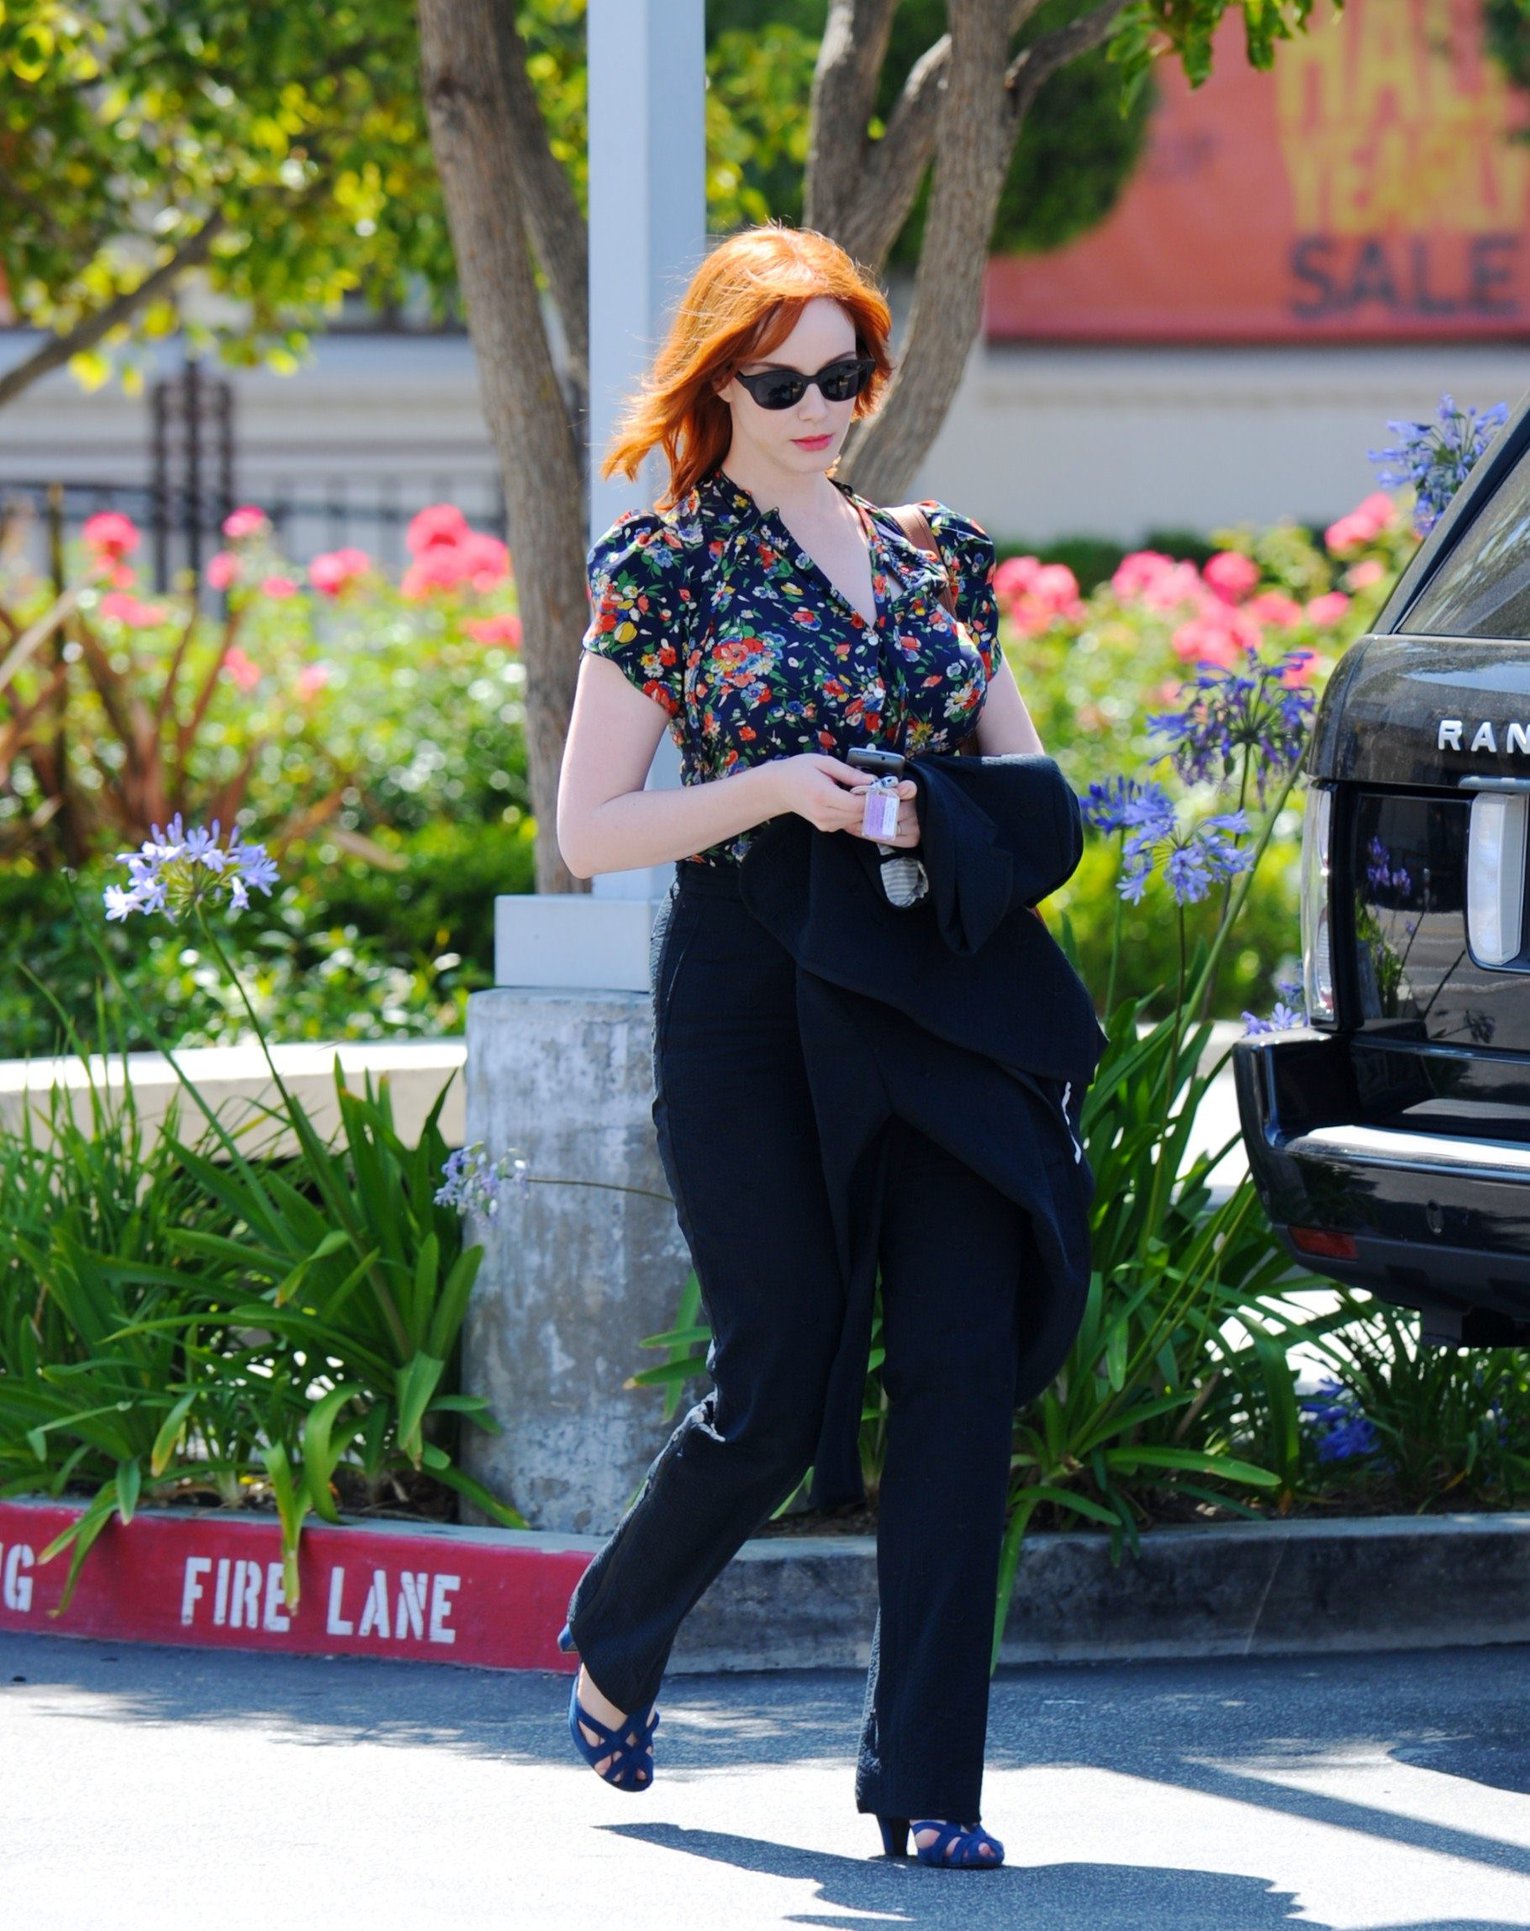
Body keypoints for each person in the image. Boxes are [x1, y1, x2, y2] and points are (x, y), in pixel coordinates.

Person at [554, 222, 1081, 1870]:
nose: (816, 404)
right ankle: (616, 1629)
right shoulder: (666, 565)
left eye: (843, 372)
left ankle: (929, 1787)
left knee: (955, 1371)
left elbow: (1036, 791)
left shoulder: (932, 554)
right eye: (777, 377)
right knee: (777, 1387)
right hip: (749, 987)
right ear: (716, 382)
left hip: (929, 984)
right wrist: (782, 787)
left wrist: (935, 803)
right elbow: (590, 830)